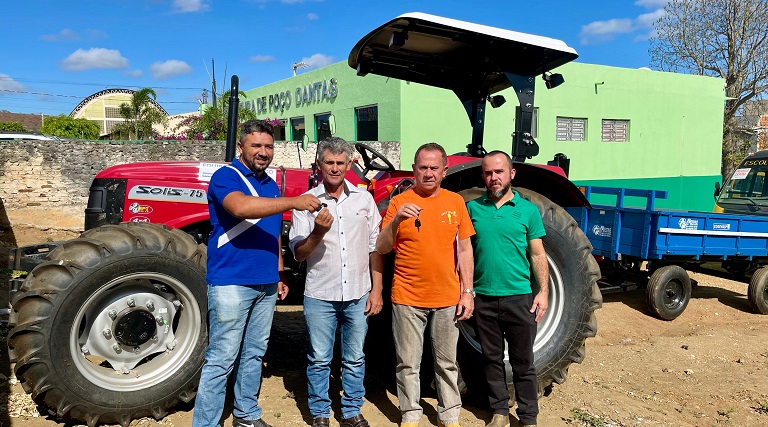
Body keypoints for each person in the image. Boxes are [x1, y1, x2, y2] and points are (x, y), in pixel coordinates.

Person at [193, 120, 322, 427]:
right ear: (241, 147)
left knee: (254, 353)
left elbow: (272, 230)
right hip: (231, 282)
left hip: (265, 281)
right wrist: (295, 201)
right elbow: (240, 208)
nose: (263, 152)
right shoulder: (227, 176)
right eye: (256, 146)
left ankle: (246, 414)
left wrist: (279, 271)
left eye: (268, 146)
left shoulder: (269, 183)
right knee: (222, 357)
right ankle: (206, 423)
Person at [376, 142, 476, 427]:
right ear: (414, 169)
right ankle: (410, 413)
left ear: (444, 170)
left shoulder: (455, 202)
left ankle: (449, 414)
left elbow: (465, 249)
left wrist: (467, 292)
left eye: (434, 168)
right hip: (407, 296)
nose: (428, 173)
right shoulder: (399, 202)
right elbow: (382, 247)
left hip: (447, 296)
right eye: (423, 168)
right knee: (407, 362)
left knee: (447, 362)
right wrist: (396, 221)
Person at [289, 137, 384, 427]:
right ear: (319, 165)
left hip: (357, 292)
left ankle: (352, 410)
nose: (334, 168)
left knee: (355, 357)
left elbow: (374, 247)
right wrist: (317, 233)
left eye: (340, 163)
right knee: (319, 358)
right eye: (329, 162)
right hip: (320, 293)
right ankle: (320, 412)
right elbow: (299, 255)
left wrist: (377, 290)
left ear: (348, 164)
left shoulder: (364, 199)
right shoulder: (306, 202)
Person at [466, 151, 549, 427]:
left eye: (499, 172)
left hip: (519, 298)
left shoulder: (527, 210)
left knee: (523, 362)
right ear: (483, 176)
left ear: (511, 174)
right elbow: (463, 252)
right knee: (491, 359)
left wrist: (544, 291)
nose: (494, 178)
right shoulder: (473, 209)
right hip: (485, 299)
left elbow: (538, 255)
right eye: (488, 173)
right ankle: (500, 412)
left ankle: (528, 417)